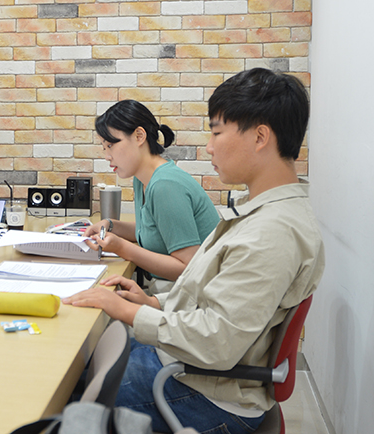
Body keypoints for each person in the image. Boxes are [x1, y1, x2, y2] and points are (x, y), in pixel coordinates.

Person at [63, 68, 325, 434]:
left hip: (205, 394)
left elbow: (217, 341)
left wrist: (129, 310)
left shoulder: (272, 232)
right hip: (195, 372)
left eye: (217, 132)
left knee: (69, 399)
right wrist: (152, 303)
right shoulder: (263, 213)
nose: (210, 147)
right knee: (82, 363)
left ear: (260, 137)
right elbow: (212, 296)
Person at [84, 100, 219, 291]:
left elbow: (188, 268)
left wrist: (121, 247)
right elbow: (154, 231)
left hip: (194, 296)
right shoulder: (142, 179)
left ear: (139, 136)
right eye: (104, 147)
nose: (107, 156)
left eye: (111, 145)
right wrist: (111, 225)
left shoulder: (165, 185)